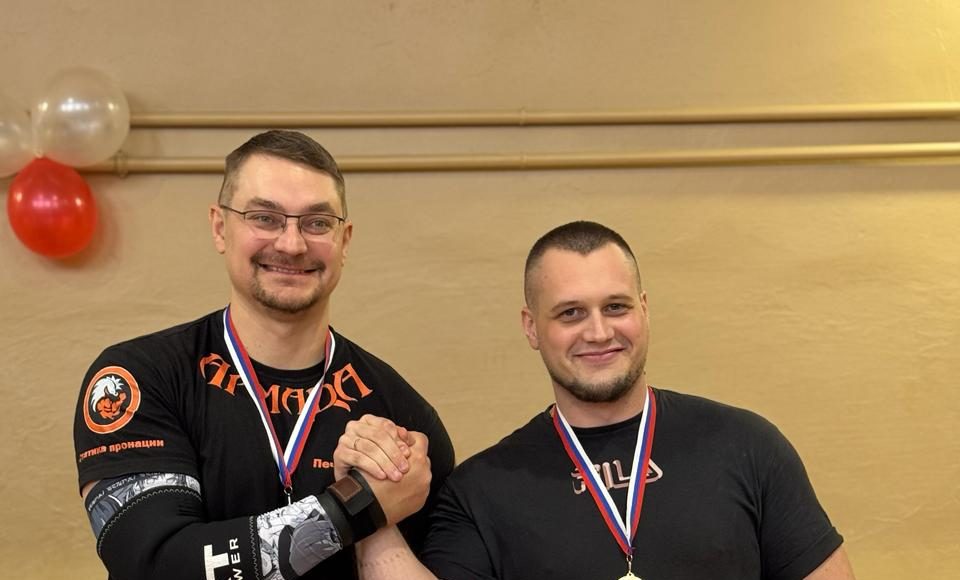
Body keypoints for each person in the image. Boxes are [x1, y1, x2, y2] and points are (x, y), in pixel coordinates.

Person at [347, 221, 856, 579]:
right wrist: (370, 516)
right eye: (570, 313)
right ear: (531, 327)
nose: (598, 332)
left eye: (616, 307)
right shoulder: (480, 491)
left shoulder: (747, 447)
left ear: (644, 310)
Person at [72, 129, 454, 580]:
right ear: (220, 227)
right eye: (264, 218)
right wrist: (357, 507)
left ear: (345, 240)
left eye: (317, 223)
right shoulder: (141, 378)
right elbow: (155, 564)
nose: (292, 244)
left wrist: (378, 521)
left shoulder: (400, 415)